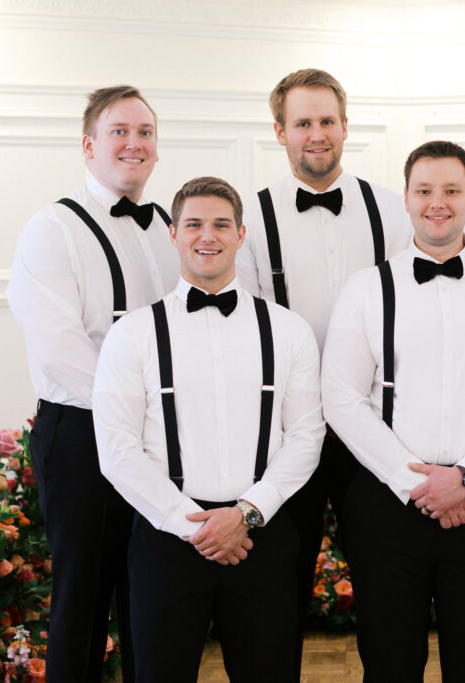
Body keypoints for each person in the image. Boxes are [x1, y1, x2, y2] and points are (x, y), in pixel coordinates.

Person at [322, 141, 465, 682]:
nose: (437, 202)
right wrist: (417, 483)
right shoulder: (365, 288)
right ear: (405, 198)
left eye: (451, 190)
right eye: (424, 190)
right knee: (389, 659)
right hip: (387, 504)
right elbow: (341, 397)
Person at [93, 177, 325, 682]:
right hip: (166, 540)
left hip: (261, 537)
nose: (208, 236)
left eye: (222, 224)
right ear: (173, 234)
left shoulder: (289, 330)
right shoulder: (131, 334)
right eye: (194, 224)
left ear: (241, 235)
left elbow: (307, 437)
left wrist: (246, 513)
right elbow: (117, 450)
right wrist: (192, 525)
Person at [235, 69, 411, 665]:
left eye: (327, 121)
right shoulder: (250, 221)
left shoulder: (394, 210)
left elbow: (411, 317)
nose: (317, 134)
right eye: (303, 123)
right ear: (279, 131)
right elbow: (247, 330)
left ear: (345, 126)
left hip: (376, 432)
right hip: (289, 434)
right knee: (275, 597)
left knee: (388, 597)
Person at [6, 85, 178, 682]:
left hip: (159, 438)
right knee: (81, 599)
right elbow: (60, 352)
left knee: (151, 595)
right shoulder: (51, 228)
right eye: (119, 132)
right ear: (88, 145)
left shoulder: (170, 227)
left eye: (145, 133)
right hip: (82, 434)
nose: (135, 143)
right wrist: (137, 413)